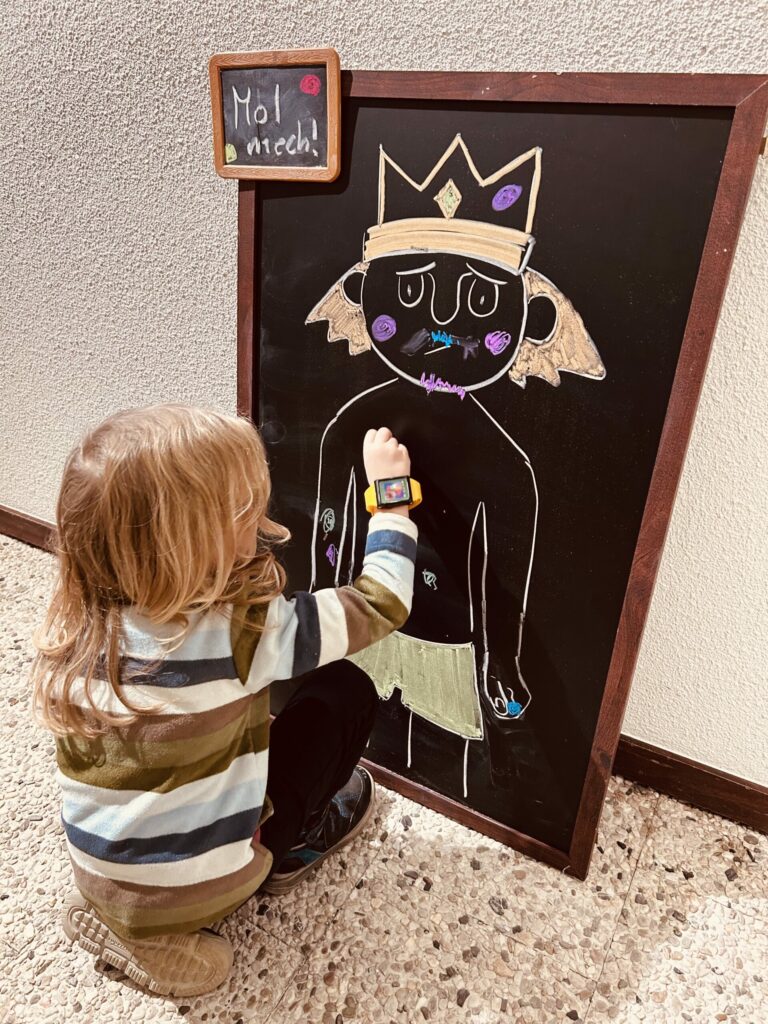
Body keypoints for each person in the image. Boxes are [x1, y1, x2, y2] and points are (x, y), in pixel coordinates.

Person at [31, 405, 419, 997]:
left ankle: (122, 914)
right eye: (244, 510)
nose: (260, 519)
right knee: (344, 692)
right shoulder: (244, 633)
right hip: (199, 888)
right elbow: (382, 602)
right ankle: (264, 867)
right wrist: (391, 499)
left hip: (98, 872)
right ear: (193, 544)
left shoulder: (76, 627)